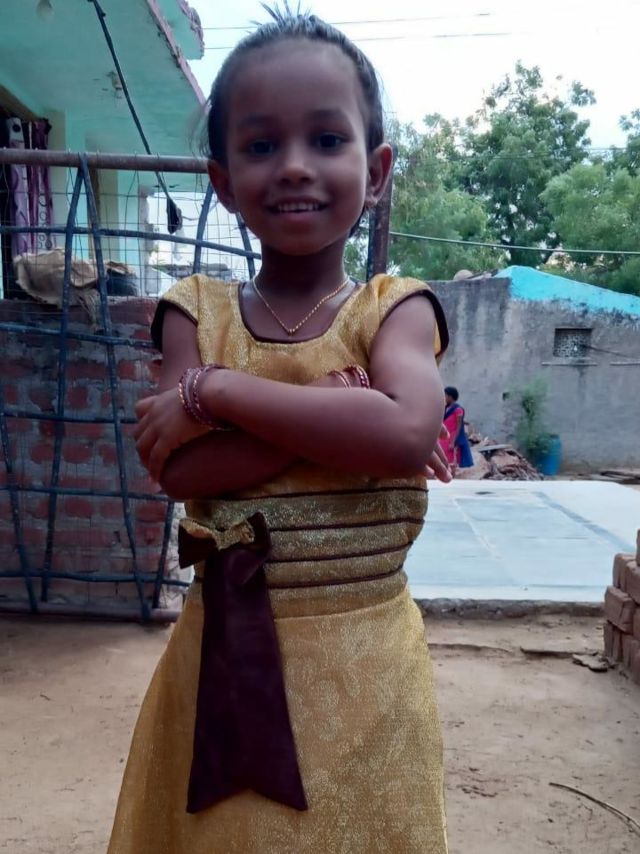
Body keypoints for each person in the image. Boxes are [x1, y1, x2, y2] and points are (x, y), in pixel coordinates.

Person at [108, 9, 451, 853]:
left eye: (326, 140)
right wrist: (337, 411)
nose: (295, 165)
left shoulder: (393, 310)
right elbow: (183, 472)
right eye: (262, 145)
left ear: (375, 170)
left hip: (368, 663)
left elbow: (407, 434)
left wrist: (221, 390)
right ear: (223, 182)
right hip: (226, 662)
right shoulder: (194, 312)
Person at [440, 386, 473, 472]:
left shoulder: (458, 410)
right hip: (443, 438)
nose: (444, 397)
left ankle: (451, 477)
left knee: (451, 462)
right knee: (442, 459)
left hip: (451, 438)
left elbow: (459, 426)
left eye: (445, 395)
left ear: (450, 397)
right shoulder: (445, 408)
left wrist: (453, 442)